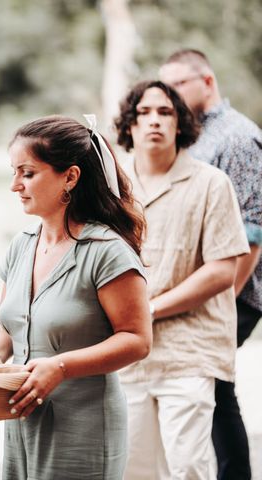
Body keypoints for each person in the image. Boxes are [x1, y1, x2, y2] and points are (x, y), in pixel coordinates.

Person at [0, 114, 152, 479]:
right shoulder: (22, 246)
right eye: (14, 172)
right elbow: (7, 321)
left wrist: (61, 366)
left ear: (70, 176)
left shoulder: (107, 251)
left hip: (84, 426)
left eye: (27, 173)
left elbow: (137, 340)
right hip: (22, 420)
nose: (15, 186)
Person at [114, 80, 250, 479]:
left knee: (189, 465)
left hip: (191, 351)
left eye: (165, 112)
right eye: (144, 112)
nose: (154, 121)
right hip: (128, 355)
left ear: (180, 124)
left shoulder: (211, 183)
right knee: (134, 468)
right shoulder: (113, 189)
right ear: (130, 125)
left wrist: (150, 309)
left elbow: (222, 270)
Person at [160, 49, 262, 480]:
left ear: (207, 81)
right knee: (211, 391)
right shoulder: (194, 135)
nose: (172, 95)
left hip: (231, 292)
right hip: (196, 288)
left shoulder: (238, 137)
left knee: (212, 387)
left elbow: (253, 232)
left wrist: (222, 302)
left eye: (179, 84)